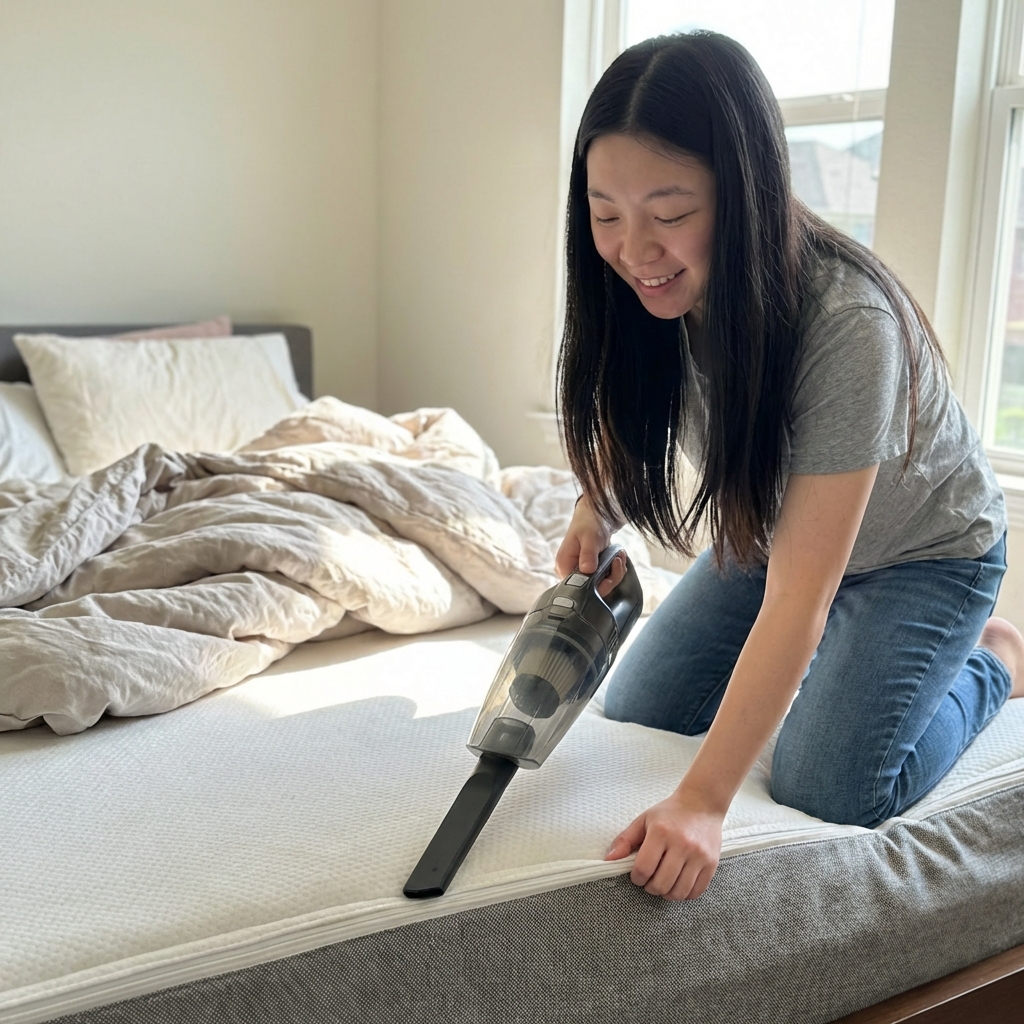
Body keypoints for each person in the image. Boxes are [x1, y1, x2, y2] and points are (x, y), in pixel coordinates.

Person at [554, 31, 1024, 904]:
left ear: (746, 194)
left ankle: (996, 657)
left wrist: (702, 802)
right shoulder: (650, 288)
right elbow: (640, 403)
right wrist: (598, 508)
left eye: (670, 212)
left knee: (831, 787)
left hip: (922, 557)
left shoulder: (850, 325)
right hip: (776, 535)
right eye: (605, 212)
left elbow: (798, 604)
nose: (633, 248)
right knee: (642, 707)